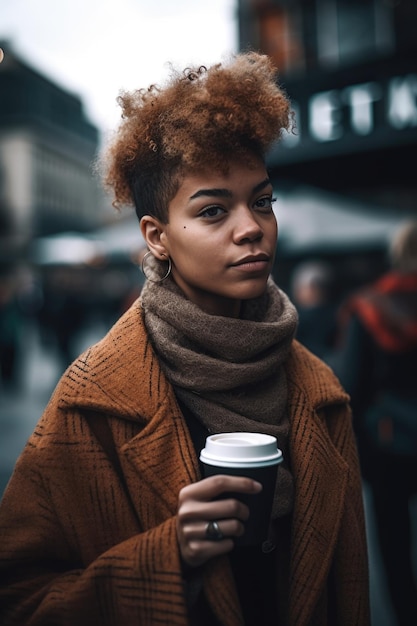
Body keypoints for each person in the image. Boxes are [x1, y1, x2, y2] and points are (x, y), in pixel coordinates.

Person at [0, 53, 370, 626]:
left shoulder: (321, 393)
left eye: (263, 201)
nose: (251, 226)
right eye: (214, 209)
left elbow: (348, 593)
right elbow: (18, 596)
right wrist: (170, 554)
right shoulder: (94, 398)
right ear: (157, 236)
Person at [334, 220, 417, 626]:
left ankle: (406, 613)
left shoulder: (370, 308)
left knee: (395, 543)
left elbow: (351, 386)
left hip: (390, 446)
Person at [290, 259, 338, 361]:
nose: (297, 292)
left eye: (300, 287)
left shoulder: (298, 319)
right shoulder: (338, 315)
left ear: (313, 288)